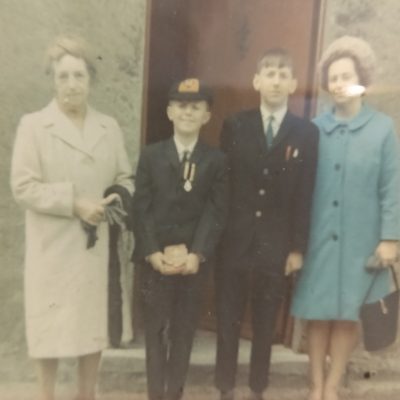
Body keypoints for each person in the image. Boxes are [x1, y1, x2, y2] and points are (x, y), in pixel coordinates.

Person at [10, 36, 133, 400]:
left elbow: (125, 178)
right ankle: (45, 394)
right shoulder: (34, 126)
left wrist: (112, 201)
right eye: (63, 77)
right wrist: (74, 203)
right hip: (52, 246)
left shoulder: (108, 127)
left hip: (92, 247)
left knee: (90, 327)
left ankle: (86, 394)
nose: (71, 85)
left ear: (90, 80)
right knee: (48, 329)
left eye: (79, 75)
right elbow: (23, 186)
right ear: (53, 81)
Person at [291, 36, 400, 400]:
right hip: (318, 236)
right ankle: (315, 386)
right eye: (333, 77)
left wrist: (389, 238)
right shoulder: (314, 128)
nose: (339, 84)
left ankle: (333, 386)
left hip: (362, 240)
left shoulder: (382, 129)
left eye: (346, 76)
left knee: (347, 314)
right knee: (317, 312)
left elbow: (392, 187)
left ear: (362, 80)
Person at [215, 48, 319, 400]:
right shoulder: (236, 124)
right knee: (228, 320)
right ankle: (225, 387)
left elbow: (305, 195)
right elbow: (223, 185)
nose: (275, 80)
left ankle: (258, 388)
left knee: (264, 324)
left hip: (275, 246)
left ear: (292, 84)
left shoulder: (305, 133)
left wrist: (297, 248)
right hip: (235, 241)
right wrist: (219, 237)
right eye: (269, 73)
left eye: (282, 74)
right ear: (256, 81)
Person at [132, 78, 228, 400]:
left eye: (196, 107)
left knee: (184, 333)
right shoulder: (151, 155)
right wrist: (151, 252)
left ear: (206, 116)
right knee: (156, 333)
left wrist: (196, 254)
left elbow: (215, 211)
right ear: (170, 111)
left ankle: (175, 394)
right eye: (182, 106)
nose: (188, 113)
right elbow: (141, 208)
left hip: (191, 265)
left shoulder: (215, 161)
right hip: (155, 263)